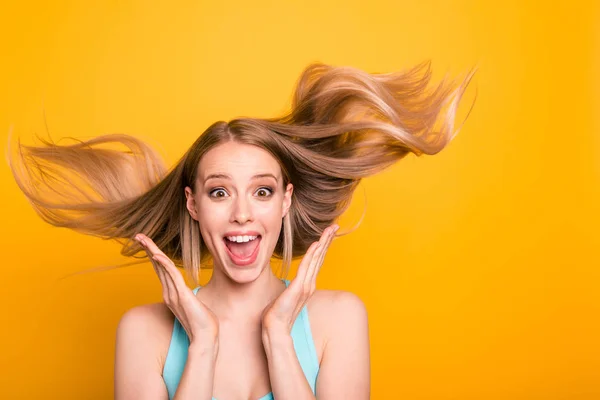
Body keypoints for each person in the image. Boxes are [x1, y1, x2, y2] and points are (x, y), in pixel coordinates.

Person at [7, 61, 475, 399]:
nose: (242, 215)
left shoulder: (339, 319)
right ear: (192, 205)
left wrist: (277, 333)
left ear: (286, 201)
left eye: (263, 192)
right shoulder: (142, 332)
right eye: (219, 193)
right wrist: (203, 344)